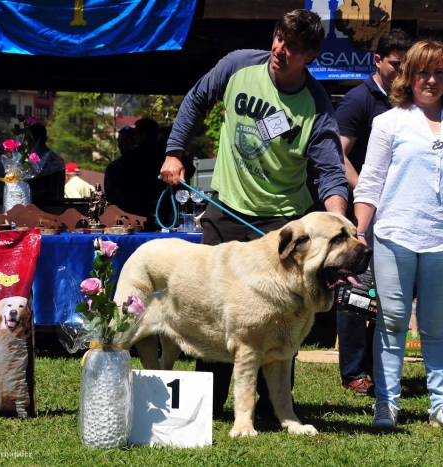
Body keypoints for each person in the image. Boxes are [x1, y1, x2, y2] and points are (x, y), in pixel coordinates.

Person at [160, 9, 348, 418]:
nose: (280, 49)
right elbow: (196, 99)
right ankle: (205, 406)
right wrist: (175, 150)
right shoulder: (239, 64)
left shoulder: (316, 105)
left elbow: (331, 172)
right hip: (225, 209)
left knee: (282, 316)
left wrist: (341, 227)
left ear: (309, 57)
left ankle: (274, 409)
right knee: (217, 309)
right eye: (280, 37)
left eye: (293, 46)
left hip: (280, 224)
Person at [354, 39, 443, 429]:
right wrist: (358, 232)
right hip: (394, 234)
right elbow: (370, 183)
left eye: (439, 72)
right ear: (408, 75)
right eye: (422, 72)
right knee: (393, 320)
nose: (430, 80)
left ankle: (442, 405)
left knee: (434, 324)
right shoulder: (388, 121)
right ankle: (386, 404)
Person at [333, 29, 413, 395]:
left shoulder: (409, 103)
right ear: (377, 61)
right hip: (363, 216)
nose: (402, 71)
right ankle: (353, 372)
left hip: (400, 215)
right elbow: (338, 153)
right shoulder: (358, 100)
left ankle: (379, 366)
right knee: (356, 292)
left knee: (390, 293)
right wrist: (365, 191)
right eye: (396, 64)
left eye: (406, 65)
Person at [105, 118, 179, 229]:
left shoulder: (129, 160)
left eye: (136, 134)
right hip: (166, 211)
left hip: (138, 212)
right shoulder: (169, 155)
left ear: (144, 135)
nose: (134, 138)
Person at [26, 122, 65, 202]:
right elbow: (60, 191)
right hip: (53, 207)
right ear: (46, 138)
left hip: (30, 206)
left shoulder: (26, 160)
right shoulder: (57, 161)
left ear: (30, 139)